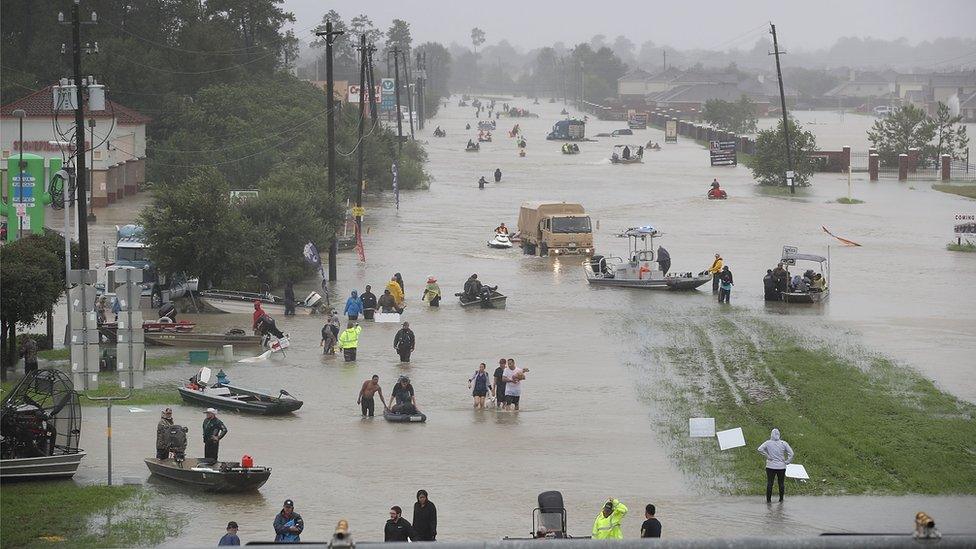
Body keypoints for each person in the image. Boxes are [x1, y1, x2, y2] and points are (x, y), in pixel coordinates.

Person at [757, 428, 795, 503]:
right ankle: (781, 500)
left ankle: (768, 501)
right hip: (781, 467)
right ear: (779, 435)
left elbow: (760, 449)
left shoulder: (768, 443)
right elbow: (791, 453)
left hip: (770, 466)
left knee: (770, 483)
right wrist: (787, 461)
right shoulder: (783, 443)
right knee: (781, 483)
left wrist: (767, 456)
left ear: (771, 434)